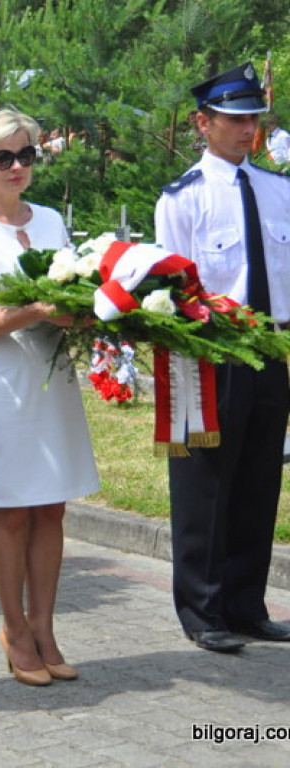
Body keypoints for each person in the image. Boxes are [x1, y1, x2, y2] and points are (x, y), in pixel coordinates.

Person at [0, 109, 99, 686]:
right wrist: (40, 310)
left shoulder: (52, 220)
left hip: (53, 378)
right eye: (3, 157)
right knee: (11, 510)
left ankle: (44, 627)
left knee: (52, 506)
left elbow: (78, 290)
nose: (16, 167)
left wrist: (92, 312)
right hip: (4, 382)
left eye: (26, 154)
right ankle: (13, 629)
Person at [155, 62, 290, 653]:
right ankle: (202, 608)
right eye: (234, 119)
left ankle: (245, 605)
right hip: (209, 353)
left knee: (259, 480)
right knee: (205, 483)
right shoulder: (183, 197)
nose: (247, 129)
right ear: (202, 123)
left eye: (253, 118)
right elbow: (170, 287)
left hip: (270, 348)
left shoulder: (280, 190)